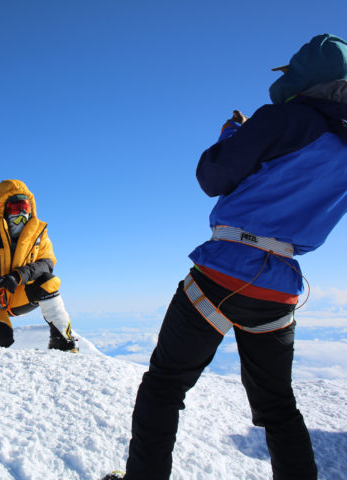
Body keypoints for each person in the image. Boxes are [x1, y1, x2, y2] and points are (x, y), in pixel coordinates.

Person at [109, 33, 347, 480]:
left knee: (164, 386)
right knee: (277, 406)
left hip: (223, 270)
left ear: (305, 78)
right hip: (280, 287)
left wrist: (234, 132)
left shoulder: (283, 119)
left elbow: (214, 175)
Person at [0, 179, 77, 351]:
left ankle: (63, 341)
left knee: (48, 281)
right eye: (14, 208)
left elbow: (46, 263)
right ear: (4, 210)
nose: (20, 213)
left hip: (16, 293)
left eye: (24, 207)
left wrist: (18, 276)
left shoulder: (39, 235)